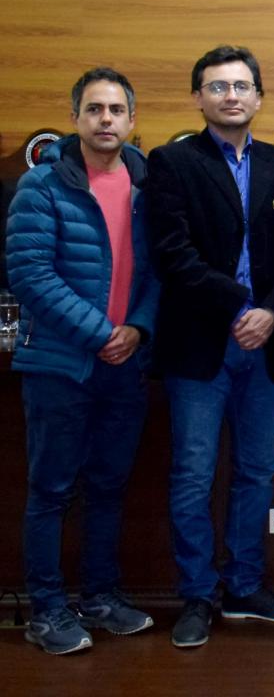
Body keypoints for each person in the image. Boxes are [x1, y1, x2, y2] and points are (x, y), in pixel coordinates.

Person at [145, 45, 274, 648]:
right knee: (193, 474)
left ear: (259, 98)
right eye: (217, 87)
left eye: (241, 86)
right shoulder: (170, 162)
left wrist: (271, 311)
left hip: (268, 344)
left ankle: (244, 586)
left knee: (256, 471)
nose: (231, 96)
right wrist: (241, 304)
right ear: (198, 98)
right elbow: (172, 253)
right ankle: (197, 594)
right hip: (200, 345)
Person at [6, 68, 159, 655]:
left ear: (132, 120)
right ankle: (47, 611)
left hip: (125, 363)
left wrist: (138, 328)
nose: (105, 119)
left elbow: (158, 271)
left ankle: (100, 597)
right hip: (60, 366)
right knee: (51, 490)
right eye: (94, 109)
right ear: (75, 118)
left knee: (108, 487)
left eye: (116, 110)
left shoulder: (148, 187)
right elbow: (30, 274)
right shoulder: (42, 185)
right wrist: (102, 334)